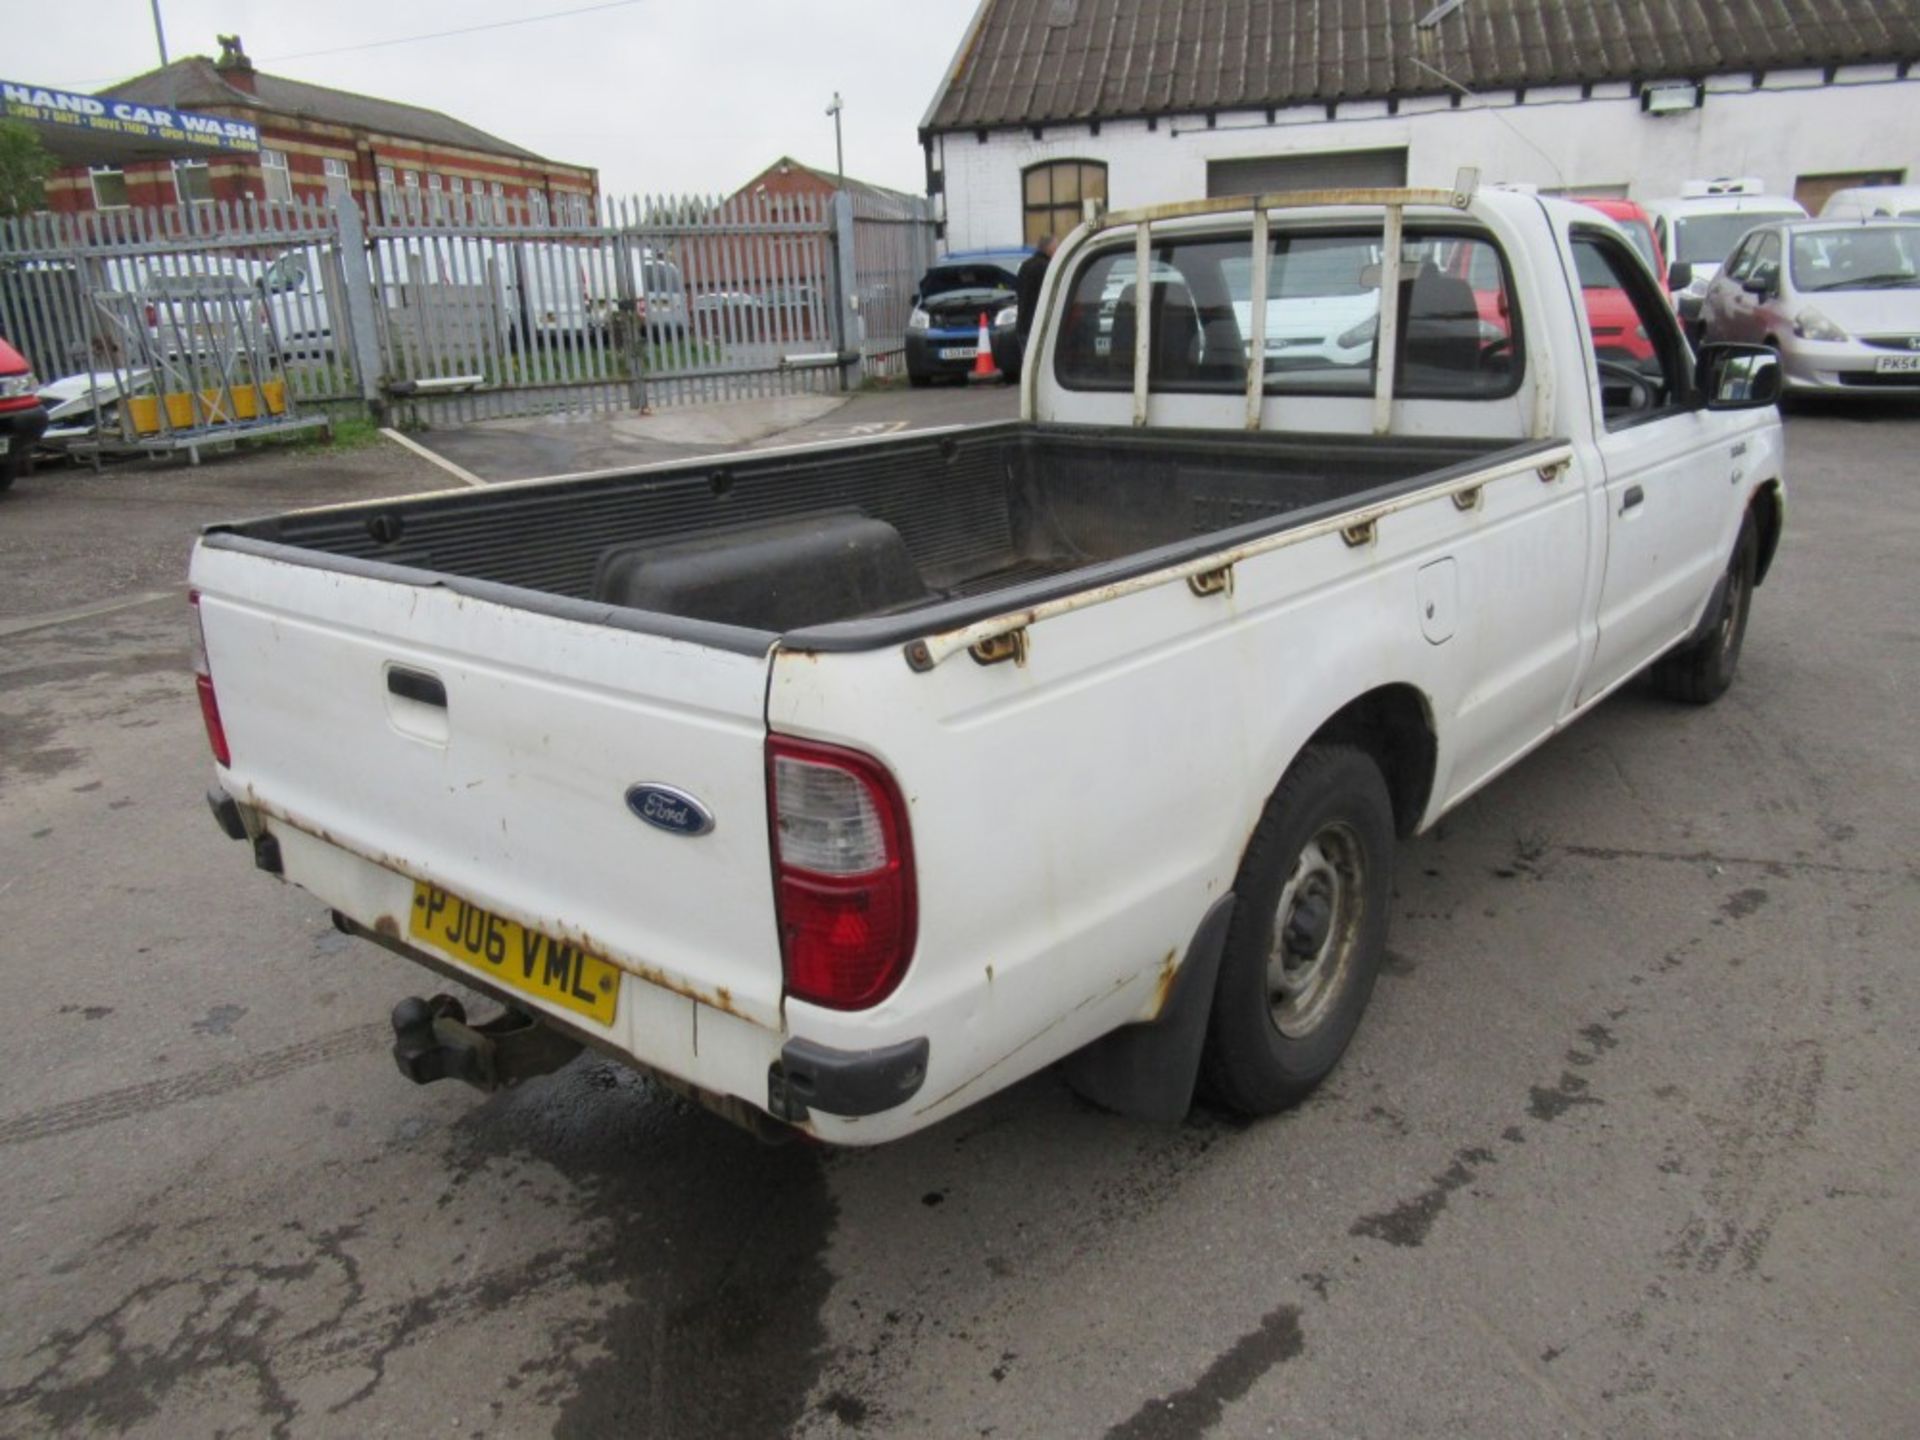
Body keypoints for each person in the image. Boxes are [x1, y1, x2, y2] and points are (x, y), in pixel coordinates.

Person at [1014, 236, 1057, 356]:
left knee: (1028, 364)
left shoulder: (1025, 266)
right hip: (1039, 327)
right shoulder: (1048, 267)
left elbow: (1018, 290)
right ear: (1050, 248)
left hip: (1022, 325)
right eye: (1056, 247)